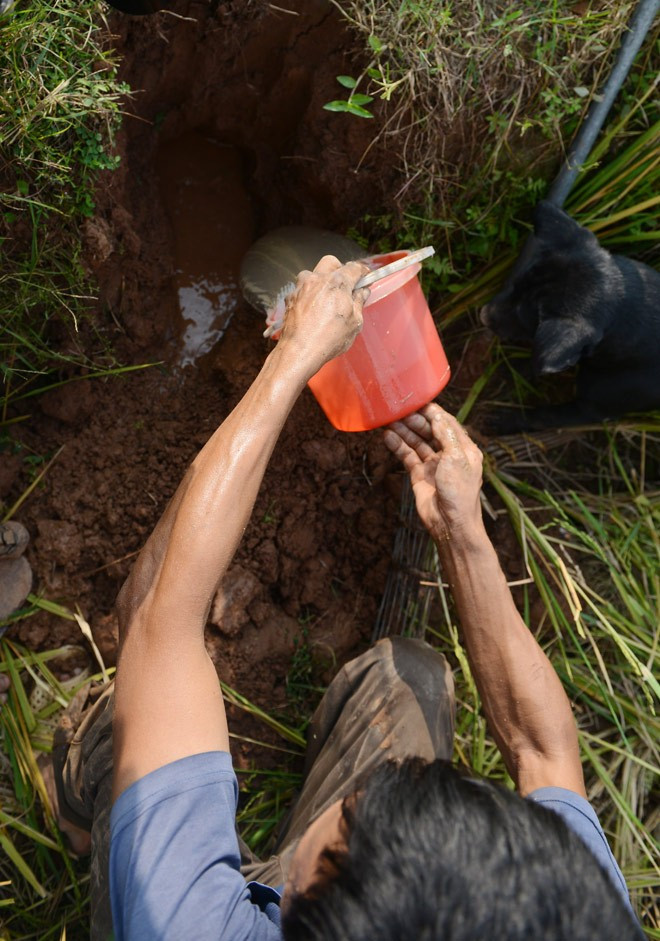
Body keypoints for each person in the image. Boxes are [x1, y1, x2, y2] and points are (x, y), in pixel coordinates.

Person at [49, 256, 642, 940]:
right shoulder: (568, 912)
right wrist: (462, 531)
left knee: (136, 703)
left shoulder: (181, 922)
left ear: (316, 885)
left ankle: (77, 790)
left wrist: (292, 361)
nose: (364, 787)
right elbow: (545, 749)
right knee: (411, 676)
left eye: (354, 810)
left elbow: (156, 613)